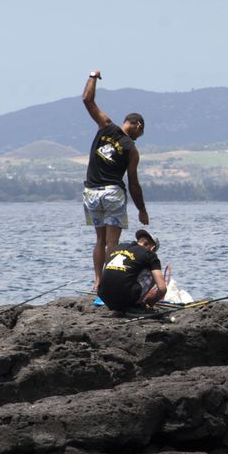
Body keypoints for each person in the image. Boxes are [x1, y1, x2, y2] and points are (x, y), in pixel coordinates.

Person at [82, 70, 150, 293]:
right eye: (141, 132)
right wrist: (142, 209)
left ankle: (98, 282)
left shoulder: (106, 126)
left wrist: (93, 76)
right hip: (112, 193)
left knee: (99, 240)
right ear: (137, 125)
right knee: (113, 242)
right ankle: (111, 287)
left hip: (91, 192)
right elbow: (134, 183)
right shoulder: (131, 149)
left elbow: (87, 100)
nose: (139, 136)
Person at [97, 229, 167, 311]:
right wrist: (151, 300)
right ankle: (135, 302)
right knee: (152, 271)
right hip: (126, 299)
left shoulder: (118, 247)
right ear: (152, 248)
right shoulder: (149, 254)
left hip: (104, 297)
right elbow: (162, 289)